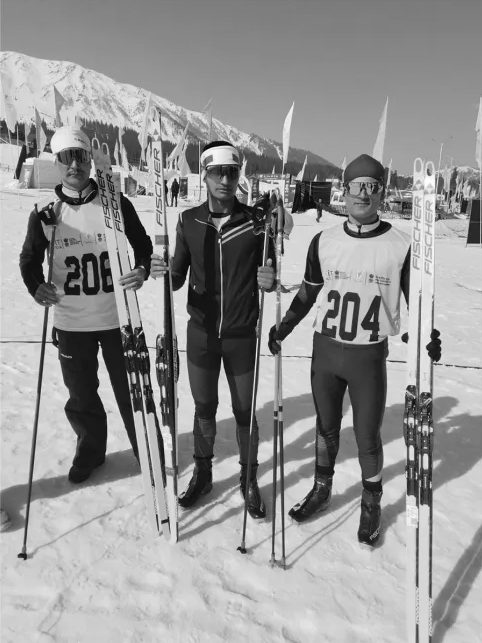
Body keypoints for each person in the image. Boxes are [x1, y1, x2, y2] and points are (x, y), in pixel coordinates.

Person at [268, 154, 442, 546]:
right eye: (356, 186)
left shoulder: (400, 246)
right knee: (325, 427)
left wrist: (427, 335)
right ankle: (322, 487)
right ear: (343, 191)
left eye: (372, 186)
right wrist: (285, 326)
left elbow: (418, 303)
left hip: (368, 356)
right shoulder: (324, 240)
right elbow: (309, 291)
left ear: (382, 193)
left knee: (367, 434)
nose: (363, 194)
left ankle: (371, 500)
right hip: (326, 352)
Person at [19, 126, 153, 484]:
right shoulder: (46, 213)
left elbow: (143, 245)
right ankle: (91, 452)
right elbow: (29, 260)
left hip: (117, 319)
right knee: (81, 396)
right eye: (67, 158)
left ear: (90, 160)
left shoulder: (114, 203)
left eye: (80, 157)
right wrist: (36, 287)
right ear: (57, 163)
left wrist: (142, 269)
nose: (74, 165)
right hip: (71, 322)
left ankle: (147, 450)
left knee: (131, 390)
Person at [151, 141, 275, 519]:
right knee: (204, 407)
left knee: (244, 410)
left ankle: (248, 478)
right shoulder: (189, 221)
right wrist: (163, 272)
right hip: (202, 334)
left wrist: (269, 278)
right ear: (204, 175)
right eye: (218, 172)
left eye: (232, 172)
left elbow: (270, 271)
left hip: (241, 334)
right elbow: (177, 276)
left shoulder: (255, 221)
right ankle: (203, 474)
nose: (225, 179)